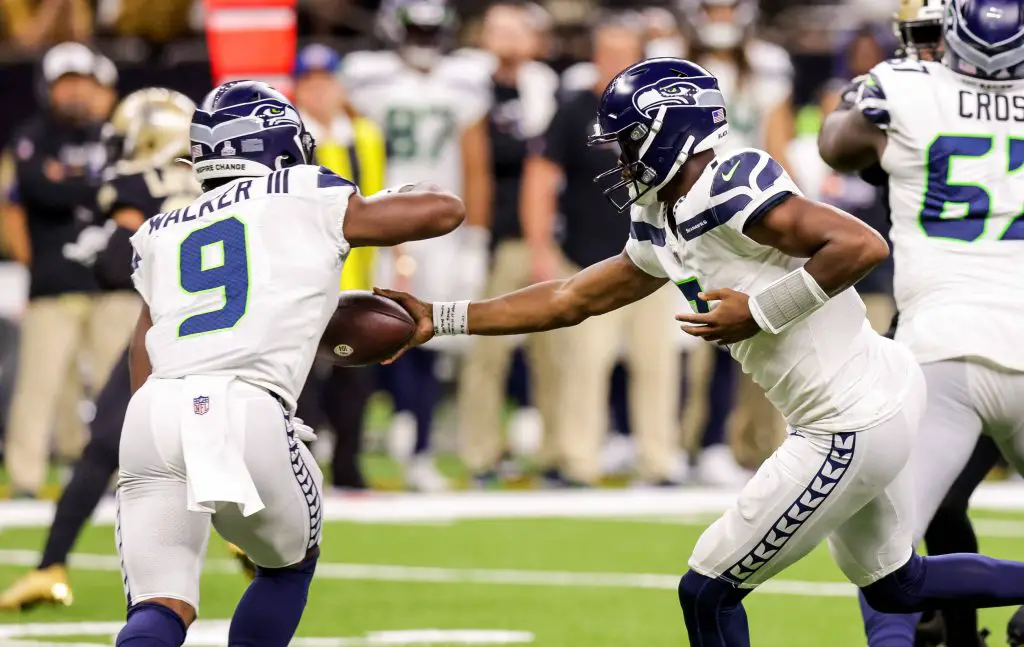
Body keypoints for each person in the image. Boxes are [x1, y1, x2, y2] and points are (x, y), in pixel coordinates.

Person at [378, 57, 1024, 647]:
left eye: (629, 139)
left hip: (847, 419)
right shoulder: (666, 211)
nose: (623, 157)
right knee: (898, 586)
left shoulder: (729, 183)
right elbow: (575, 296)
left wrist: (762, 310)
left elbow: (858, 245)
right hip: (870, 394)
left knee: (708, 589)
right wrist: (441, 318)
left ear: (667, 130)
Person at [113, 80, 464, 647]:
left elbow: (143, 344)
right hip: (246, 406)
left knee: (159, 605)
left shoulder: (160, 229)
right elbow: (443, 211)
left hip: (154, 413)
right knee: (286, 566)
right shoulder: (302, 189)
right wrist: (409, 185)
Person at [818, 0, 1024, 646]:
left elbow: (836, 146)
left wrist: (857, 105)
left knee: (883, 550)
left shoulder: (901, 90)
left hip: (940, 349)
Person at [0, 88, 221, 610]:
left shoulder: (129, 184)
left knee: (104, 444)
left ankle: (51, 566)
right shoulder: (223, 188)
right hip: (226, 342)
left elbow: (115, 266)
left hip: (165, 337)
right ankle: (257, 558)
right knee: (223, 454)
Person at [520, 15, 682, 487]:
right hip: (590, 256)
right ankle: (578, 460)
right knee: (585, 365)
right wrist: (540, 246)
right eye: (608, 52)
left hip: (653, 259)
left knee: (657, 365)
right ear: (595, 57)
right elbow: (541, 177)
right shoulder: (574, 109)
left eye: (625, 53)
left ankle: (659, 460)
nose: (616, 62)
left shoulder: (661, 113)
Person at [342, 0, 492, 492]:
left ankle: (421, 444)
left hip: (440, 226)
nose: (425, 41)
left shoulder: (463, 79)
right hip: (377, 220)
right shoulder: (366, 77)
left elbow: (475, 162)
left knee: (431, 331)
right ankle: (362, 432)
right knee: (362, 326)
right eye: (417, 30)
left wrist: (475, 239)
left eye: (432, 31)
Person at [4, 42, 119, 498]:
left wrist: (67, 182)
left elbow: (120, 192)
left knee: (118, 386)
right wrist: (90, 187)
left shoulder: (112, 136)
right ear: (48, 88)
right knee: (39, 387)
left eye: (81, 82)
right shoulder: (30, 136)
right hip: (53, 283)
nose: (75, 92)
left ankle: (117, 473)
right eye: (65, 83)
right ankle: (26, 479)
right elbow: (37, 190)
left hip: (111, 283)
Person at [453, 2, 561, 486]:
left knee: (554, 351)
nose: (507, 38)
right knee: (486, 352)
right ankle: (480, 453)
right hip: (494, 235)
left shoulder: (548, 86)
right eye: (498, 29)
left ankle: (558, 452)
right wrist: (471, 237)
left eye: (516, 29)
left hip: (544, 235)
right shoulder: (468, 84)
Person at [292, 43, 388, 490]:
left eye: (326, 81)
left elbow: (382, 200)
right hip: (303, 283)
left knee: (355, 381)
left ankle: (349, 467)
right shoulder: (293, 138)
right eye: (311, 82)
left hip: (357, 278)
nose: (320, 91)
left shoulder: (364, 134)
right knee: (301, 385)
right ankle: (302, 469)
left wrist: (395, 259)